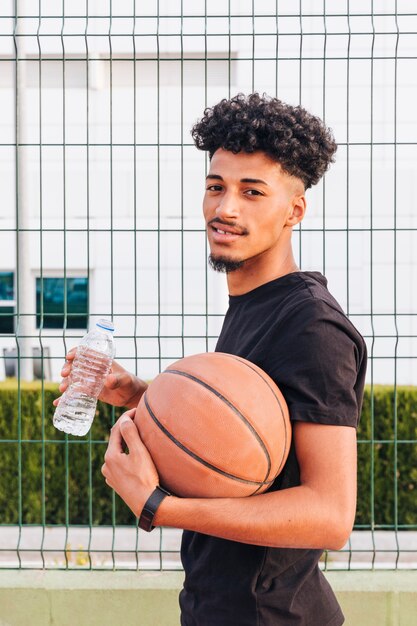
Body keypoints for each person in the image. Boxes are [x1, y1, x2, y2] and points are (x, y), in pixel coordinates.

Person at [55, 93, 367, 626]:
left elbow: (330, 515)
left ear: (294, 210)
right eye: (216, 187)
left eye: (252, 192)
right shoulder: (254, 304)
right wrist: (135, 394)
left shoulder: (311, 326)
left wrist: (159, 507)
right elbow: (240, 432)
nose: (225, 209)